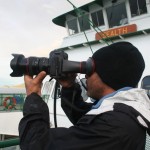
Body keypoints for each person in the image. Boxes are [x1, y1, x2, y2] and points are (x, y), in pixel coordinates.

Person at [19, 41, 150, 150]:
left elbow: (36, 145)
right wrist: (68, 87)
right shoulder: (125, 112)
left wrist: (33, 95)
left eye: (89, 69)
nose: (86, 75)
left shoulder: (115, 127)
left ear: (108, 75)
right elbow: (84, 116)